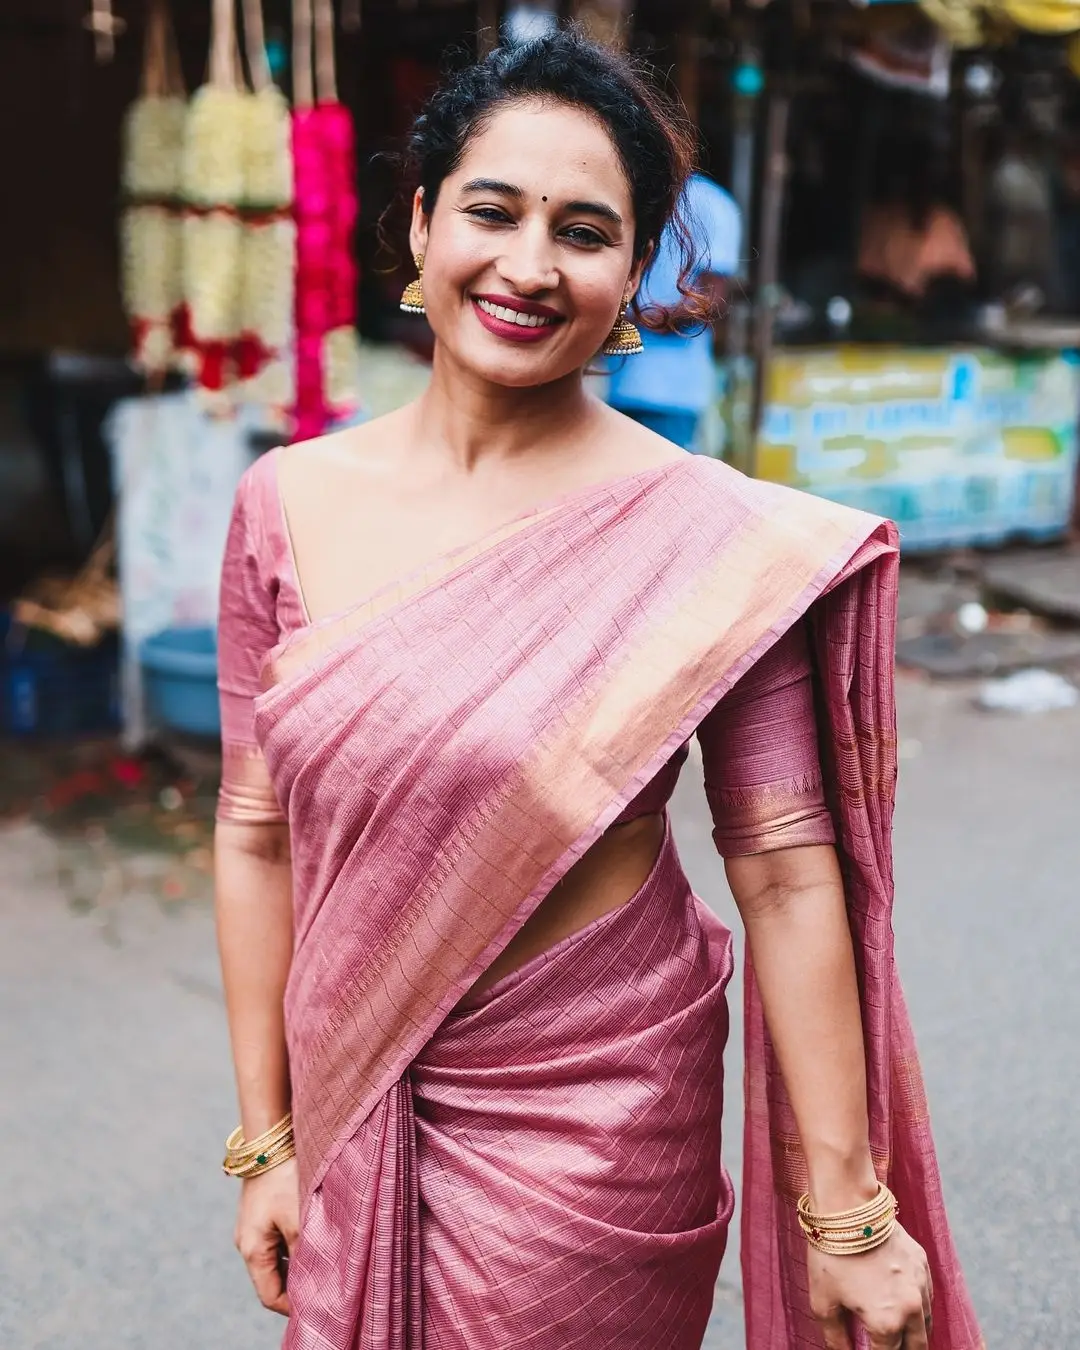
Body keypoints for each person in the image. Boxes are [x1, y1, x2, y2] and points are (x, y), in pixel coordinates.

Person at [214, 31, 982, 1350]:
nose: (526, 265)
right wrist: (266, 1137)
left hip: (597, 1121)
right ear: (419, 220)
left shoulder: (707, 545)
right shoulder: (284, 504)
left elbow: (790, 870)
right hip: (354, 1099)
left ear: (635, 273)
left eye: (583, 231)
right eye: (492, 211)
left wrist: (848, 1212)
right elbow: (251, 826)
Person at [606, 169, 740, 451]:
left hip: (672, 393)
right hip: (616, 385)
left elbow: (710, 300)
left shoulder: (710, 203)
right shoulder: (631, 191)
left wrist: (639, 318)